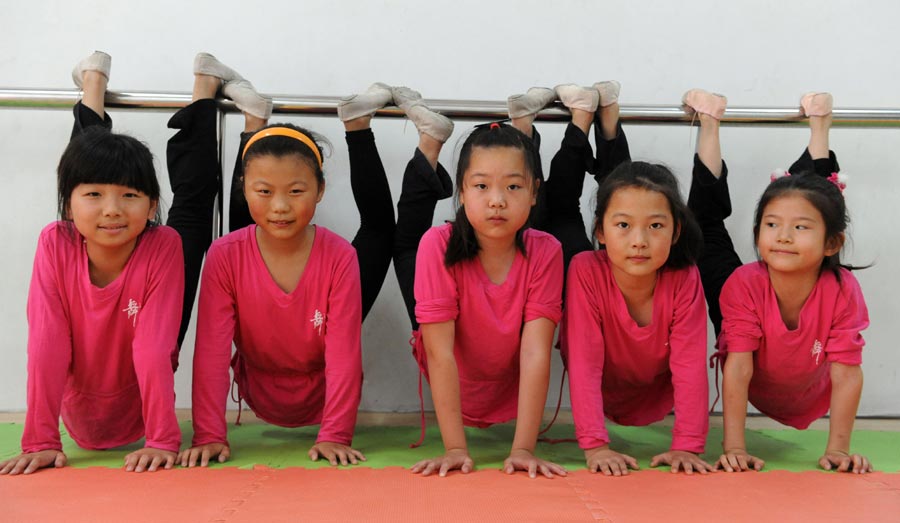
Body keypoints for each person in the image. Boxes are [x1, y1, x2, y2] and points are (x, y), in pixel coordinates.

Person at [0, 51, 184, 475]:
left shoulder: (163, 243)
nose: (113, 210)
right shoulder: (55, 240)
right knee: (85, 162)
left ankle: (97, 89)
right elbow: (46, 343)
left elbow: (154, 346)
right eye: (95, 196)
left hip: (141, 408)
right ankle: (92, 91)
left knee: (187, 211)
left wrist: (161, 439)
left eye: (131, 196)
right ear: (67, 206)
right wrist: (41, 440)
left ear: (153, 203)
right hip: (79, 410)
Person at [518, 83, 713, 476]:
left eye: (657, 226)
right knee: (555, 211)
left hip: (648, 389)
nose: (640, 242)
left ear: (675, 232)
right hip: (586, 267)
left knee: (582, 206)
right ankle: (551, 130)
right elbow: (585, 362)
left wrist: (688, 446)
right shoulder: (586, 269)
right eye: (623, 226)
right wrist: (595, 446)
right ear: (602, 232)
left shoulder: (684, 276)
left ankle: (604, 124)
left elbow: (691, 365)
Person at [180, 54, 364, 467]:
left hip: (320, 399)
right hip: (256, 391)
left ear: (319, 191)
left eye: (296, 192)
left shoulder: (340, 257)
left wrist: (335, 432)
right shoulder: (226, 256)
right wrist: (209, 433)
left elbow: (344, 354)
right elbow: (210, 351)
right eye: (264, 192)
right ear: (244, 191)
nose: (280, 206)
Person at [697, 93, 873, 474]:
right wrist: (734, 447)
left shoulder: (842, 289)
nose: (783, 236)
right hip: (746, 299)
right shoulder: (742, 284)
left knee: (808, 196)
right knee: (705, 230)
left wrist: (839, 450)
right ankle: (709, 123)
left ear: (832, 244)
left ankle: (820, 129)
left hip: (807, 391)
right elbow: (739, 366)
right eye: (771, 226)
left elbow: (846, 372)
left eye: (800, 229)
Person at [407, 115, 567, 479]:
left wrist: (524, 449)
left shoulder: (547, 252)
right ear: (461, 192)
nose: (497, 201)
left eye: (513, 187)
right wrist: (455, 449)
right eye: (481, 186)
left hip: (510, 386)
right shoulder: (436, 245)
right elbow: (439, 352)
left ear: (534, 192)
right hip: (457, 379)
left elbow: (536, 350)